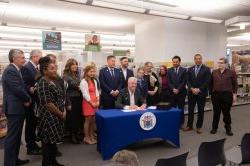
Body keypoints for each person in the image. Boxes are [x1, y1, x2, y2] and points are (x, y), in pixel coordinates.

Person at [3, 49, 31, 166]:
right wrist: (27, 98)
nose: (24, 60)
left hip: (17, 108)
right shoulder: (10, 70)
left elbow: (20, 85)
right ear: (14, 59)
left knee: (17, 136)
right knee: (12, 137)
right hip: (14, 108)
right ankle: (9, 163)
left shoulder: (16, 70)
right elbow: (17, 89)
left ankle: (15, 160)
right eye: (22, 57)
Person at [36, 56, 65, 166]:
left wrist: (63, 111)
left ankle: (53, 162)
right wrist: (61, 114)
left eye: (55, 68)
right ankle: (47, 163)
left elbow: (60, 97)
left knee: (53, 143)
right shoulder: (43, 83)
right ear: (44, 70)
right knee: (47, 143)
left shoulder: (52, 81)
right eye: (52, 69)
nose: (55, 71)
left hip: (56, 116)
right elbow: (48, 104)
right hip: (48, 117)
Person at [21, 49, 42, 155]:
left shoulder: (35, 67)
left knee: (33, 123)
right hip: (29, 100)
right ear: (34, 57)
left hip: (35, 100)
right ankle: (30, 147)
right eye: (40, 56)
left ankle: (33, 144)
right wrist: (30, 88)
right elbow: (22, 83)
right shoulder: (27, 67)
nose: (41, 58)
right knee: (30, 123)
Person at [210, 57, 238, 136]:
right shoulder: (214, 72)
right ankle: (214, 128)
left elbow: (235, 84)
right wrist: (212, 94)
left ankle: (228, 129)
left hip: (227, 95)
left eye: (221, 63)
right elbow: (211, 84)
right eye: (218, 62)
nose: (219, 64)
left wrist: (235, 94)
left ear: (225, 64)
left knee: (226, 113)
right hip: (216, 95)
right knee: (216, 113)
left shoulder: (231, 72)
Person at [184, 54, 211, 134]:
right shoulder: (190, 69)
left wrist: (199, 89)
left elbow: (207, 81)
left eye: (199, 59)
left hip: (201, 93)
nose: (198, 60)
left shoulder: (206, 69)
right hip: (191, 93)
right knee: (190, 110)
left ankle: (199, 127)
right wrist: (191, 88)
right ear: (194, 60)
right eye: (196, 59)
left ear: (201, 59)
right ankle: (189, 126)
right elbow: (187, 80)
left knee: (200, 110)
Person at [63, 58, 82, 144]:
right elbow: (65, 91)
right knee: (71, 118)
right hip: (71, 99)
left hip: (78, 98)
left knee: (77, 117)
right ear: (69, 66)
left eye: (76, 64)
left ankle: (76, 134)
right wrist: (68, 103)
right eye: (73, 64)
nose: (75, 66)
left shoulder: (77, 74)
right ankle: (72, 136)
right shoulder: (65, 76)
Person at [80, 65, 100, 144]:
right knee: (88, 120)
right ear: (86, 72)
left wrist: (98, 101)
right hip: (88, 103)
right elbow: (85, 94)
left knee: (93, 120)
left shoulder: (94, 80)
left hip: (95, 102)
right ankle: (87, 138)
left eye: (93, 71)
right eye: (90, 71)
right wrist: (92, 103)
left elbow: (97, 92)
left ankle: (91, 136)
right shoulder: (83, 82)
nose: (92, 73)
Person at [167, 56, 187, 129]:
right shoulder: (169, 70)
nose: (175, 63)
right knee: (173, 108)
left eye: (176, 62)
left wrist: (178, 89)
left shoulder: (184, 70)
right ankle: (173, 123)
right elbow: (168, 81)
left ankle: (181, 123)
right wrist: (173, 89)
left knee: (181, 109)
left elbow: (184, 81)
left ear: (179, 62)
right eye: (174, 62)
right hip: (172, 93)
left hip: (181, 93)